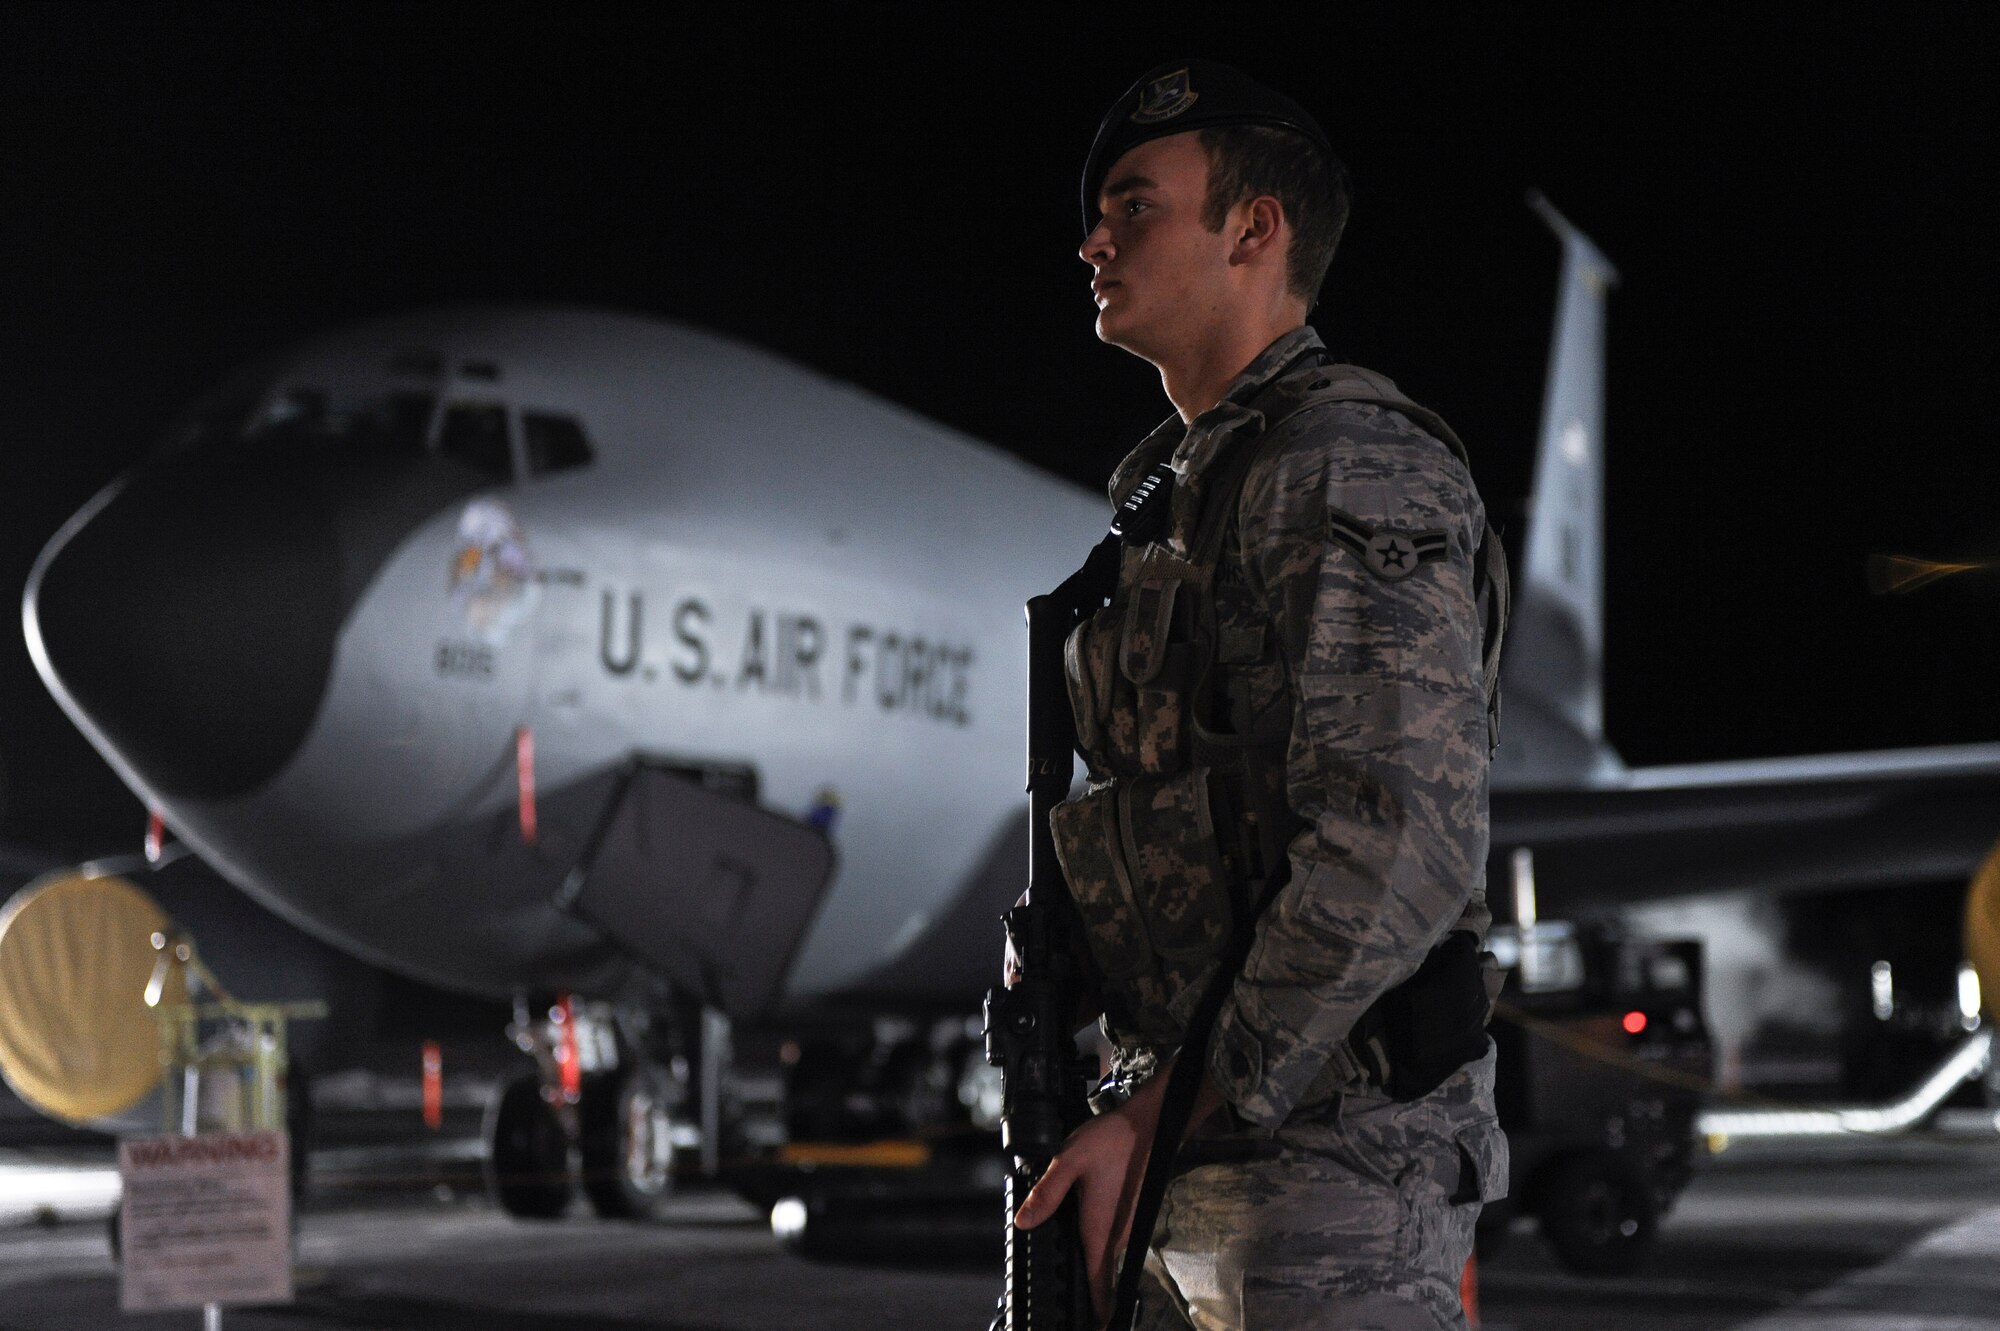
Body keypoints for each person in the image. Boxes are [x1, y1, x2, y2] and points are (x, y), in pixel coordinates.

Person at [1010, 59, 1507, 1330]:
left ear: (1252, 230)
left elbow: (1393, 838)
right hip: (1193, 1148)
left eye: (1134, 207)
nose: (1092, 241)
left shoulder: (1348, 463)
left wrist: (1166, 1099)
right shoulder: (1176, 495)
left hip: (1324, 1170)